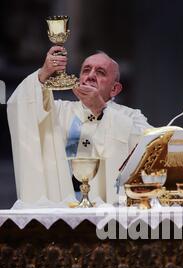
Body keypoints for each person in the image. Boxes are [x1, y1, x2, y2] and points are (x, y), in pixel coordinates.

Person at [7, 47, 151, 204]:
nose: (90, 76)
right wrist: (43, 74)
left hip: (109, 209)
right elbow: (22, 107)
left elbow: (148, 147)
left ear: (115, 89)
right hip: (61, 206)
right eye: (86, 70)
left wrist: (101, 110)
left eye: (100, 72)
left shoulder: (131, 117)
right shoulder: (58, 111)